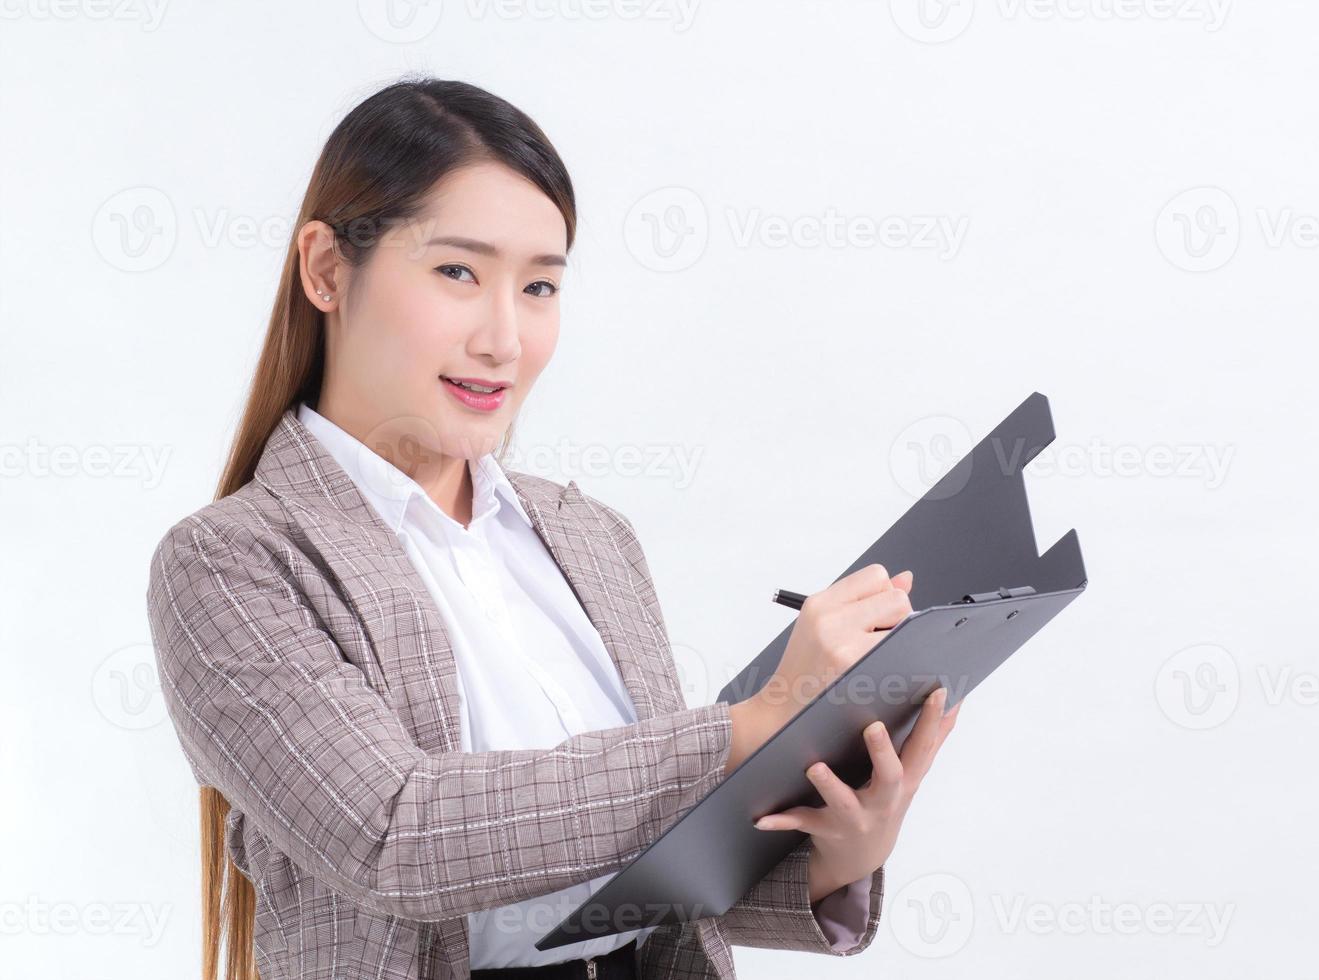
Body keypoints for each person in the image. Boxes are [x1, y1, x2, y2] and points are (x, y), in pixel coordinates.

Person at [145, 75, 962, 980]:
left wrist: (843, 845)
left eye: (539, 286)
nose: (504, 338)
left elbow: (653, 878)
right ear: (328, 270)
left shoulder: (589, 537)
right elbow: (393, 833)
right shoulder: (231, 563)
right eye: (458, 271)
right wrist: (750, 724)